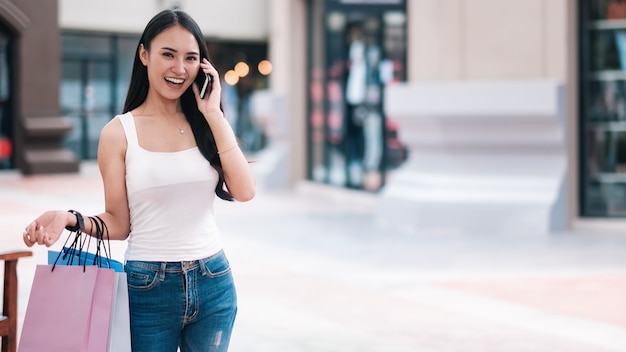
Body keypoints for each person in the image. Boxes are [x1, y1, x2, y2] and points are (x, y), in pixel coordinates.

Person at [21, 9, 255, 352]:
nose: (179, 68)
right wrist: (70, 219)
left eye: (191, 58)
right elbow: (119, 223)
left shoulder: (206, 122)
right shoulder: (118, 133)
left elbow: (245, 190)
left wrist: (213, 113)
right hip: (148, 287)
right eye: (168, 55)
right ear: (144, 54)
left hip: (214, 281)